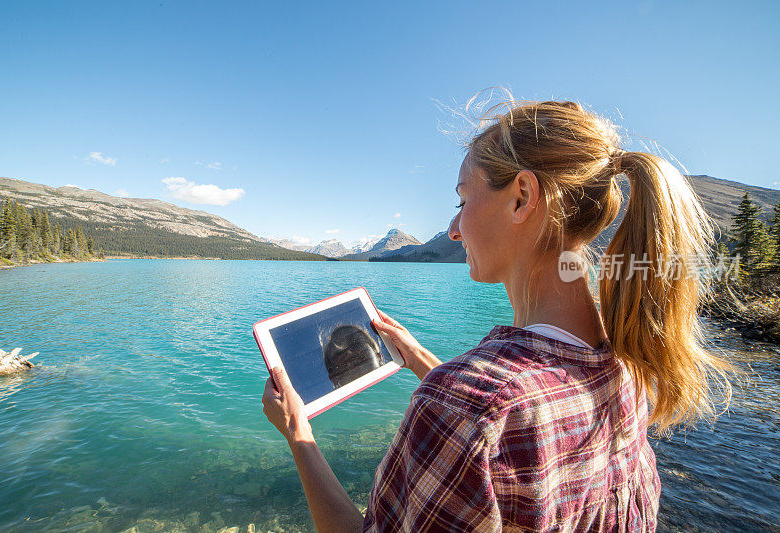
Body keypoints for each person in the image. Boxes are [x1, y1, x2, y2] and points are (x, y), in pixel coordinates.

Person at [262, 99, 733, 532]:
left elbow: (484, 415)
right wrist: (424, 359)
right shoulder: (627, 361)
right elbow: (514, 426)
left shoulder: (464, 406)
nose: (452, 230)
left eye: (463, 200)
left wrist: (299, 436)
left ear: (522, 197)